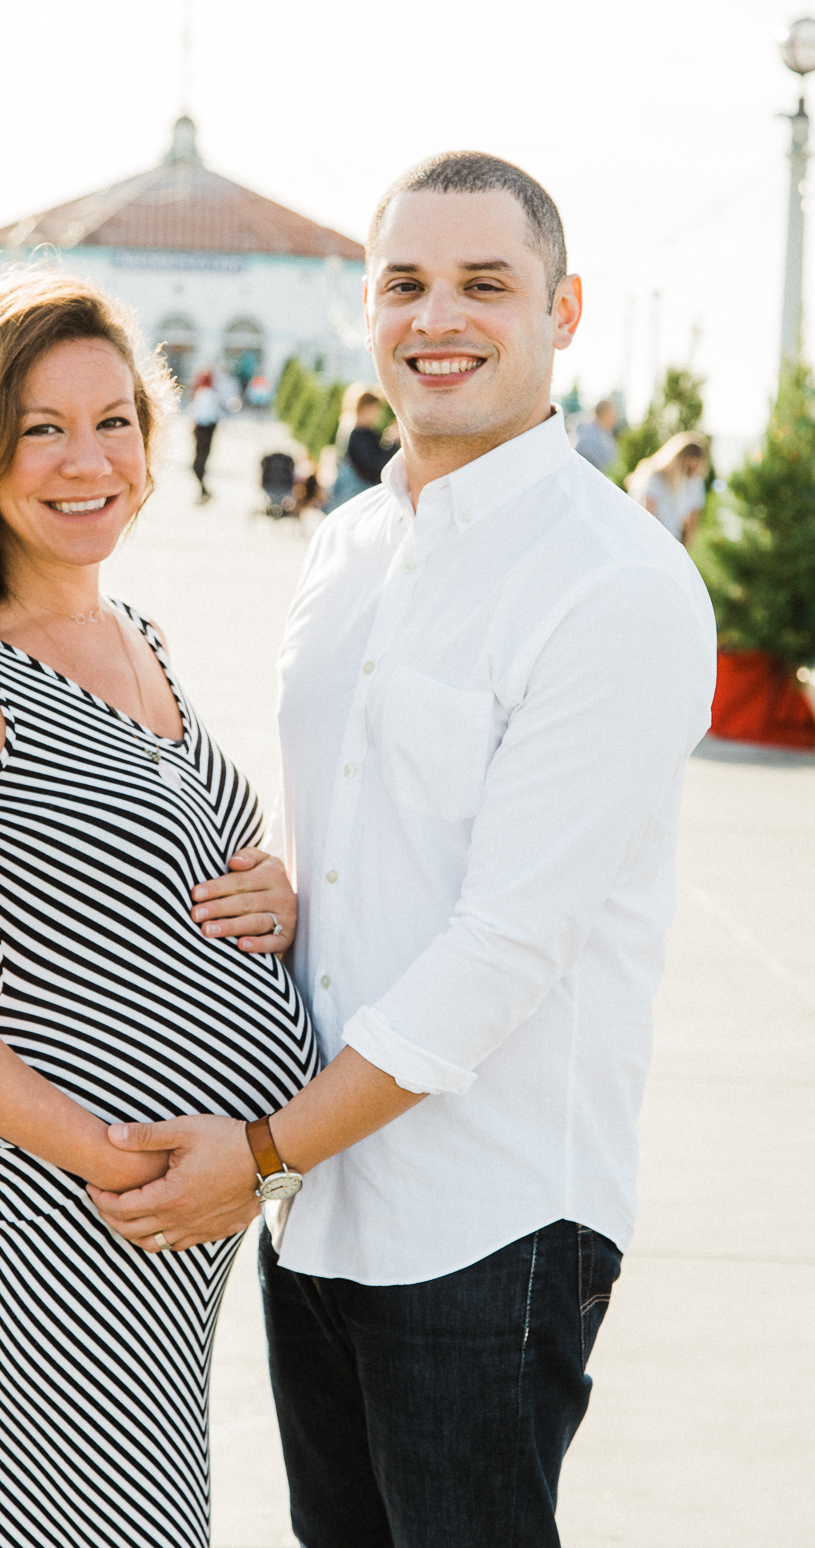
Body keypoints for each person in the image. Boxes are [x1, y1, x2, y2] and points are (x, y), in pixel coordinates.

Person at [94, 152, 717, 1547]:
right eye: (405, 284)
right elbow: (386, 841)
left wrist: (255, 1154)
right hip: (317, 1203)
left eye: (484, 284)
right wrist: (295, 897)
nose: (439, 317)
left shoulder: (615, 584)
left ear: (563, 310)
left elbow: (506, 946)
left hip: (488, 1214)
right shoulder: (352, 548)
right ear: (364, 314)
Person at [0, 273, 317, 1546]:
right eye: (41, 428)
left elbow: (141, 881)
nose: (87, 460)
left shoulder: (135, 634)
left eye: (115, 420)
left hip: (159, 1232)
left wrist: (276, 888)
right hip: (53, 1219)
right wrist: (110, 1161)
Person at [626, 432, 709, 546]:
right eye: (686, 467)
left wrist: (684, 548)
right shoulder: (655, 477)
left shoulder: (695, 482)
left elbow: (693, 518)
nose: (688, 473)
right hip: (644, 537)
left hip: (669, 541)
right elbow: (648, 513)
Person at [324, 389, 399, 513]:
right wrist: (392, 443)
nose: (376, 415)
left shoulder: (349, 429)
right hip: (357, 492)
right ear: (365, 408)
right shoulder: (358, 434)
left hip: (349, 492)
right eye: (374, 410)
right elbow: (375, 465)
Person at [188, 368, 219, 502]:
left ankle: (203, 490)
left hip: (203, 429)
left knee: (198, 463)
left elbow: (197, 413)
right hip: (208, 429)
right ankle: (204, 490)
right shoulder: (211, 394)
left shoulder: (203, 394)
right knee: (201, 461)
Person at [574, 396, 618, 471]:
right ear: (605, 413)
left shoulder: (606, 435)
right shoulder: (588, 437)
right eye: (613, 412)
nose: (616, 417)